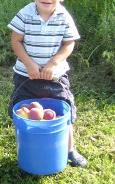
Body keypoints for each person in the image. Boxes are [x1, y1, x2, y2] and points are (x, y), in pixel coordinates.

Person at [7, 0, 87, 167]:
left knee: (63, 111)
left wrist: (53, 63)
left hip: (55, 77)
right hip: (26, 76)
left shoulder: (63, 16)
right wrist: (29, 64)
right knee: (26, 111)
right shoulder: (25, 13)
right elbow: (16, 40)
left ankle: (70, 149)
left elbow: (69, 43)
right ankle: (29, 148)